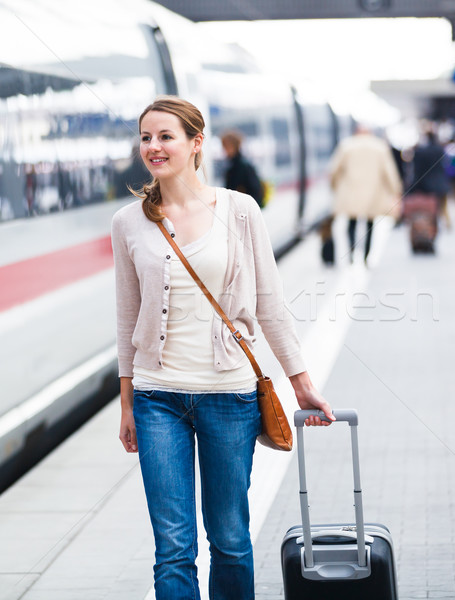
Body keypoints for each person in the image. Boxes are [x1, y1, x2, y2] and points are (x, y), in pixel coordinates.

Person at [111, 96, 333, 600]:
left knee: (230, 539)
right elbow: (127, 318)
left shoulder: (239, 210)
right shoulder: (129, 221)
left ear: (196, 143)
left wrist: (302, 383)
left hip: (228, 396)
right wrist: (127, 401)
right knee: (172, 546)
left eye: (166, 136)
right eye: (146, 137)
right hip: (156, 397)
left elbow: (270, 304)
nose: (154, 147)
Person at [329, 124, 402, 264]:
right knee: (370, 225)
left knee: (351, 223)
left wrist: (334, 187)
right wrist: (396, 190)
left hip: (351, 193)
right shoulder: (380, 147)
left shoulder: (346, 146)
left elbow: (334, 170)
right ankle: (365, 257)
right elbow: (390, 172)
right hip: (373, 194)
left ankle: (351, 253)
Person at [220, 130, 264, 207]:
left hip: (244, 208)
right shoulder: (232, 164)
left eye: (226, 146)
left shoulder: (241, 166)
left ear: (234, 146)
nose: (225, 150)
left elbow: (255, 191)